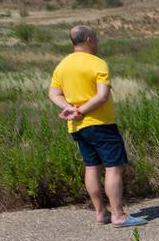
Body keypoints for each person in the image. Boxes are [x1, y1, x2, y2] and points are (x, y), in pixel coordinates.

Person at [47, 25, 146, 227]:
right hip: (101, 123)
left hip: (77, 127)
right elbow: (102, 96)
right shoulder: (98, 63)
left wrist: (70, 109)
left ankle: (101, 213)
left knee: (91, 166)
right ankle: (118, 215)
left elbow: (53, 93)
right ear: (89, 40)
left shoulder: (62, 65)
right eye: (96, 39)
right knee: (113, 167)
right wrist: (82, 110)